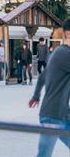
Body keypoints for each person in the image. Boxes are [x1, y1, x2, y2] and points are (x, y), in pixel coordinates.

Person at [28, 18, 70, 157]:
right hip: (53, 115)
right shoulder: (65, 54)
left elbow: (42, 77)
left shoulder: (56, 53)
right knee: (44, 155)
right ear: (68, 34)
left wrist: (36, 96)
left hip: (63, 114)